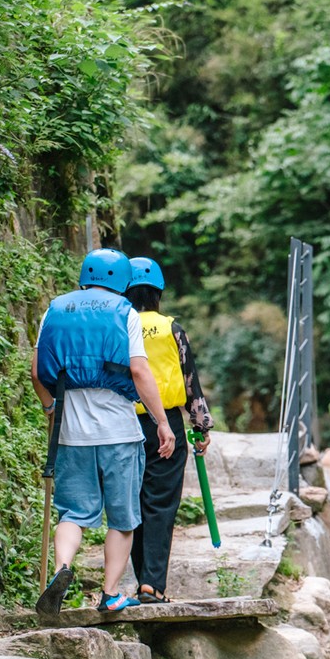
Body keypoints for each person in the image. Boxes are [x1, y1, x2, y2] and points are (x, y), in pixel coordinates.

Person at [31, 247, 176, 614]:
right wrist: (162, 422)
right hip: (120, 434)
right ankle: (110, 594)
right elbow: (140, 372)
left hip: (71, 435)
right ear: (122, 281)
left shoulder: (55, 309)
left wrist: (51, 408)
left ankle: (62, 568)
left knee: (73, 514)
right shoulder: (124, 312)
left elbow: (37, 372)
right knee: (123, 518)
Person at [125, 256, 215, 603]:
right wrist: (202, 424)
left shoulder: (120, 324)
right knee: (160, 505)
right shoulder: (171, 328)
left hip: (123, 422)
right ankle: (152, 585)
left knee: (131, 502)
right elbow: (190, 379)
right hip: (167, 426)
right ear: (158, 292)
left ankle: (140, 580)